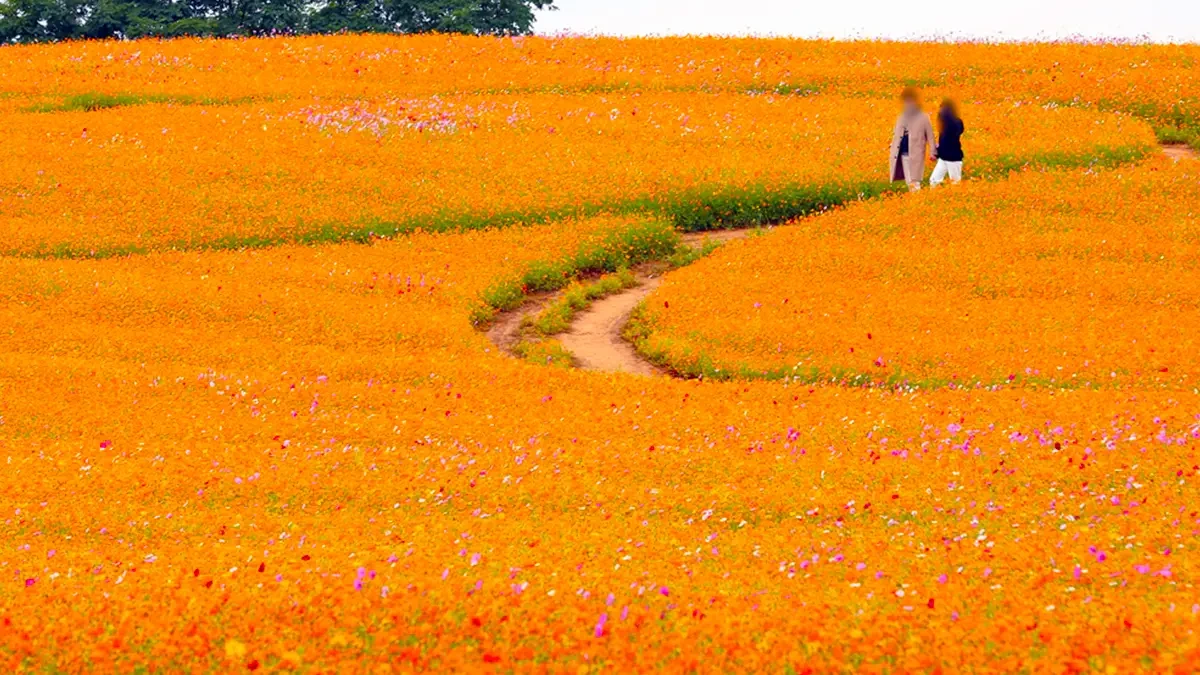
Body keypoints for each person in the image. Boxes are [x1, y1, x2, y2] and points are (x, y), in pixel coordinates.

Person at [889, 87, 935, 192]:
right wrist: (893, 144)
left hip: (916, 153)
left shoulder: (923, 117)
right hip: (903, 153)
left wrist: (933, 152)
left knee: (914, 181)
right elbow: (896, 134)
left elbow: (930, 136)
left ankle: (918, 202)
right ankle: (915, 202)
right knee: (909, 182)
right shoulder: (901, 117)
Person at [931, 99, 965, 186]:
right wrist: (936, 154)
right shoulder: (944, 125)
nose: (940, 112)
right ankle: (935, 198)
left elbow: (953, 136)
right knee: (934, 180)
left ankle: (957, 198)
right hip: (943, 158)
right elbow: (943, 143)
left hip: (953, 159)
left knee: (955, 184)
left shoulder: (955, 123)